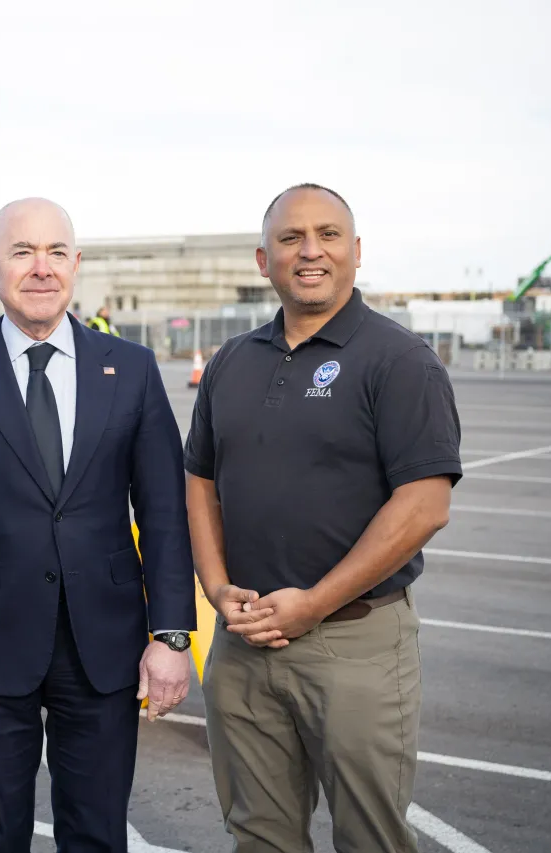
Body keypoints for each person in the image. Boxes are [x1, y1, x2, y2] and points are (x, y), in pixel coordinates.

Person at [0, 197, 196, 852]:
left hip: (105, 646)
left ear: (76, 264)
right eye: (22, 252)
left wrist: (172, 635)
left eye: (56, 252)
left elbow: (165, 512)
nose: (41, 268)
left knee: (96, 834)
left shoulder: (133, 370)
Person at [184, 183, 461, 852]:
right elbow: (199, 482)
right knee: (260, 835)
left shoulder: (399, 361)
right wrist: (218, 591)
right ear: (263, 260)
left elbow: (425, 504)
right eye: (291, 238)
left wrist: (313, 603)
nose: (311, 251)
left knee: (371, 838)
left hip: (354, 643)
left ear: (356, 252)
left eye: (329, 234)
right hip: (243, 644)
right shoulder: (229, 362)